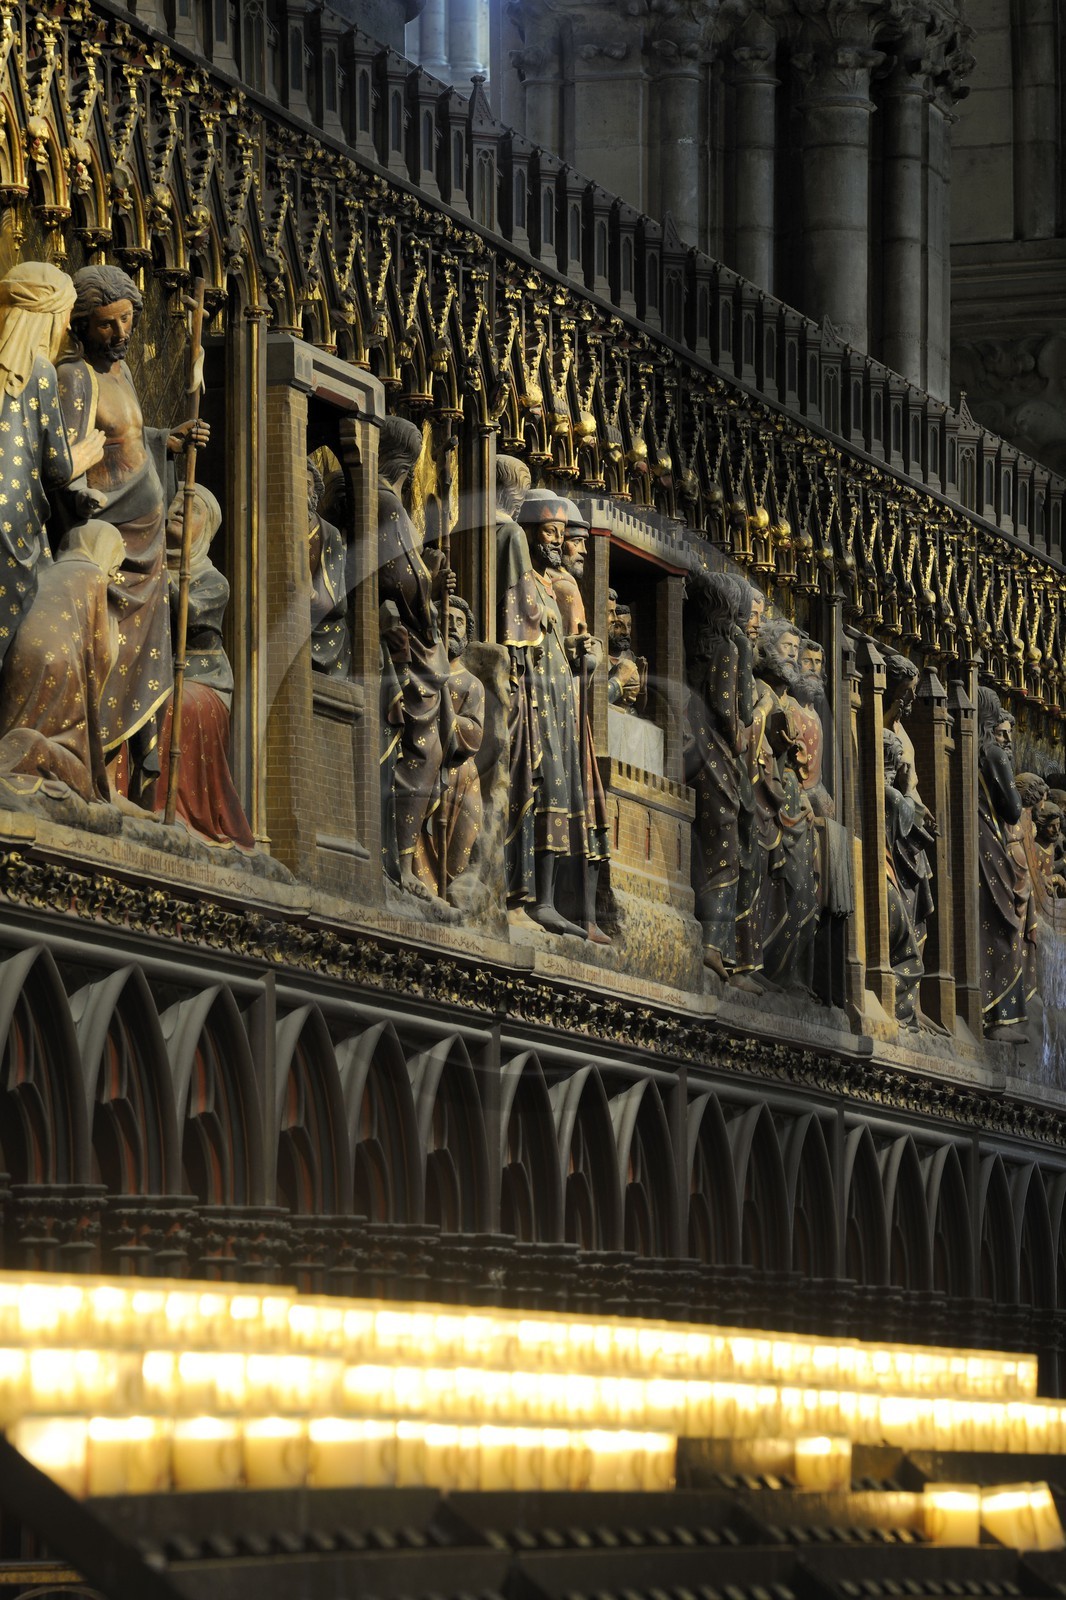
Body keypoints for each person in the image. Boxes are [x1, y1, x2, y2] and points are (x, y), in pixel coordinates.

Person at [55, 264, 208, 804]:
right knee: (106, 660)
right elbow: (71, 460)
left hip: (149, 550)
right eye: (105, 325)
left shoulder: (122, 373)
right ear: (80, 326)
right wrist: (84, 505)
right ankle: (89, 771)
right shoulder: (76, 377)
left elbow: (129, 441)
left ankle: (117, 779)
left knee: (140, 667)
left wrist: (170, 441)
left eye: (125, 321)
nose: (120, 335)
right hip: (112, 545)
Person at [0, 262, 104, 665]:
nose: (65, 330)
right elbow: (57, 467)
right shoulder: (39, 372)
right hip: (14, 522)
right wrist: (83, 455)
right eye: (64, 318)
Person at [377, 414, 454, 902]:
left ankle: (405, 862)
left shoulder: (373, 497)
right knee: (421, 750)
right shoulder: (385, 501)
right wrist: (429, 588)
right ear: (407, 461)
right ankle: (399, 862)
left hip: (398, 639)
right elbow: (401, 577)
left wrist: (429, 571)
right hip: (400, 646)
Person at [152, 485, 254, 848]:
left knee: (178, 705)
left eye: (192, 508)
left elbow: (188, 615)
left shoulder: (213, 581)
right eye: (176, 503)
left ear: (207, 529)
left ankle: (174, 809)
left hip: (201, 681)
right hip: (154, 673)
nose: (179, 510)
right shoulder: (148, 561)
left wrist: (157, 577)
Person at [0, 519, 124, 801]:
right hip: (61, 670)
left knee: (15, 727)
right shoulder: (91, 574)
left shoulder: (41, 574)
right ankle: (33, 750)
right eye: (115, 567)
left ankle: (15, 748)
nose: (114, 578)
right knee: (81, 778)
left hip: (17, 667)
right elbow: (101, 654)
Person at [516, 489, 591, 937]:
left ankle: (551, 898)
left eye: (559, 535)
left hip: (563, 699)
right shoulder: (525, 581)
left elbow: (558, 643)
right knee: (549, 789)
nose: (556, 543)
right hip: (540, 698)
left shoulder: (550, 585)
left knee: (564, 792)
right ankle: (538, 898)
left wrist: (579, 648)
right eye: (549, 532)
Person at [683, 570, 754, 983]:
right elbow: (727, 707)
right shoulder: (727, 648)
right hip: (716, 754)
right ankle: (712, 944)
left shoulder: (698, 646)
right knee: (724, 848)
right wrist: (743, 733)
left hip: (698, 747)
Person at [412, 595, 484, 897]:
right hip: (424, 758)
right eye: (448, 620)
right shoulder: (426, 670)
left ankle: (452, 884)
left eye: (460, 623)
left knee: (464, 831)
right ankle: (427, 885)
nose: (453, 627)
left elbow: (476, 732)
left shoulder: (471, 683)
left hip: (459, 770)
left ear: (467, 634)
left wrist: (449, 718)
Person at [496, 453, 542, 913]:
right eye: (521, 494)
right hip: (511, 666)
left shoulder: (475, 528)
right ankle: (511, 886)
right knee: (517, 775)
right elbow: (521, 606)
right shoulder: (511, 535)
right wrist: (543, 617)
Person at [977, 687, 1034, 1042]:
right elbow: (1013, 808)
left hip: (981, 838)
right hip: (993, 842)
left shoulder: (975, 749)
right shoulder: (994, 754)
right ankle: (1003, 1016)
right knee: (1005, 923)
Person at [307, 458, 352, 677]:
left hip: (322, 624)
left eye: (306, 483)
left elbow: (339, 601)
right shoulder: (273, 526)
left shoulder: (328, 533)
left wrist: (313, 596)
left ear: (315, 492)